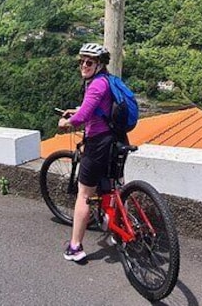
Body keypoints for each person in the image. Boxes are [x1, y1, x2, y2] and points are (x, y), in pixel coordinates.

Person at [57, 42, 115, 262]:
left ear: (99, 64)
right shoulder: (106, 82)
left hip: (98, 143)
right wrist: (78, 110)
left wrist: (67, 122)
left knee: (84, 195)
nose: (84, 65)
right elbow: (94, 109)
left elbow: (82, 119)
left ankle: (75, 247)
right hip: (113, 140)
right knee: (111, 186)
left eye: (89, 62)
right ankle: (116, 231)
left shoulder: (97, 85)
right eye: (81, 61)